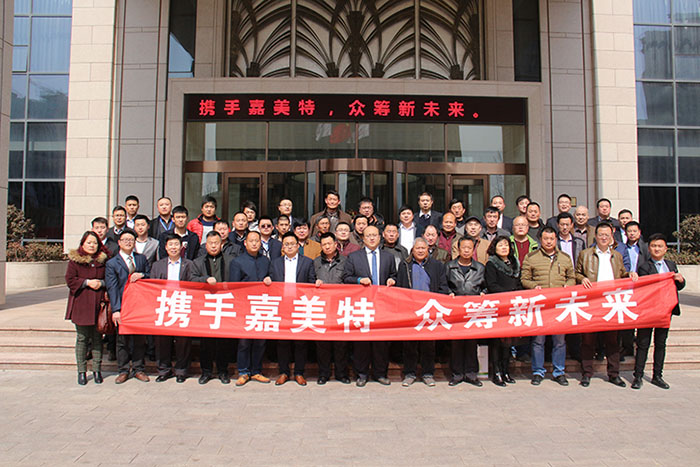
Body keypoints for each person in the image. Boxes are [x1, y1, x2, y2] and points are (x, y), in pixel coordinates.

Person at [576, 222, 638, 387]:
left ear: (611, 237)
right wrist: (582, 278)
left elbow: (622, 274)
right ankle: (586, 373)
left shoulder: (616, 256)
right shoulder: (585, 254)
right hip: (592, 302)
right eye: (601, 235)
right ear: (595, 236)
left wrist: (630, 274)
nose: (604, 238)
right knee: (588, 340)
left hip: (611, 302)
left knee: (612, 341)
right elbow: (577, 273)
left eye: (607, 235)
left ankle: (613, 374)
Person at [343, 225, 397, 387]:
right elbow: (346, 278)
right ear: (363, 238)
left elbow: (394, 275)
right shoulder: (354, 257)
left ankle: (380, 373)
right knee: (362, 342)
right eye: (368, 236)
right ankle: (362, 374)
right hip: (362, 304)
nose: (372, 238)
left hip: (382, 305)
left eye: (374, 235)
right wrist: (359, 280)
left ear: (380, 237)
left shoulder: (388, 257)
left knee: (381, 342)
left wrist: (392, 280)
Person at [520, 227, 575, 386]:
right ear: (540, 240)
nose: (549, 242)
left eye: (551, 239)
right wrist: (534, 286)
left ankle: (559, 372)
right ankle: (538, 371)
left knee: (559, 341)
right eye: (545, 239)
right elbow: (524, 279)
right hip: (540, 305)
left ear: (556, 240)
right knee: (538, 341)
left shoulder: (565, 258)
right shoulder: (531, 257)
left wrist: (568, 285)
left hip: (559, 305)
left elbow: (572, 277)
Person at [633, 233, 685, 390]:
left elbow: (678, 286)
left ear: (665, 249)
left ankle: (657, 376)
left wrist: (681, 280)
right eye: (654, 246)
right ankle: (638, 376)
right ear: (649, 249)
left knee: (661, 344)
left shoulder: (671, 265)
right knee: (643, 344)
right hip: (648, 311)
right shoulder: (644, 267)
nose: (657, 249)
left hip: (666, 311)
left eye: (660, 246)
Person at [397, 238, 449, 387]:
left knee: (428, 345)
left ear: (428, 250)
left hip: (429, 311)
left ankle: (428, 374)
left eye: (423, 248)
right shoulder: (405, 265)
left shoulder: (437, 265)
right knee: (409, 345)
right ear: (412, 250)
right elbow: (399, 288)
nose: (420, 251)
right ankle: (410, 374)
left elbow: (443, 287)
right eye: (417, 248)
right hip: (410, 311)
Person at [269, 232, 317, 386]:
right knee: (282, 341)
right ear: (282, 247)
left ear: (298, 246)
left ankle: (299, 373)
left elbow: (311, 283)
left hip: (300, 306)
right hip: (282, 306)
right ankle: (283, 372)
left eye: (292, 244)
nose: (289, 247)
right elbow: (271, 283)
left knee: (300, 342)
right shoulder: (275, 263)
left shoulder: (307, 262)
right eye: (286, 244)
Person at [105, 229, 150, 384]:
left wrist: (142, 275)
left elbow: (150, 276)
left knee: (139, 339)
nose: (128, 242)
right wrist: (116, 310)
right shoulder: (112, 263)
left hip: (139, 305)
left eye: (131, 240)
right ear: (119, 242)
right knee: (122, 340)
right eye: (125, 240)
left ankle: (139, 369)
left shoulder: (141, 259)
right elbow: (112, 288)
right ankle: (123, 370)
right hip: (123, 306)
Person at [192, 231, 237, 384]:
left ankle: (223, 371)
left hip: (225, 305)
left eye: (216, 243)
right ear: (206, 245)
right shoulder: (198, 262)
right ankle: (206, 372)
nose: (213, 246)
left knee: (224, 342)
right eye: (210, 243)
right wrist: (205, 279)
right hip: (206, 306)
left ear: (221, 244)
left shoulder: (231, 260)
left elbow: (237, 280)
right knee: (206, 342)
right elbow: (191, 279)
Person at [149, 234, 194, 383]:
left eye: (176, 244)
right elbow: (152, 286)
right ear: (166, 247)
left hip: (182, 305)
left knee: (183, 341)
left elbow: (193, 285)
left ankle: (181, 370)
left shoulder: (189, 264)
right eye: (171, 245)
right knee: (162, 341)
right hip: (164, 306)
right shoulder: (157, 265)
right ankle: (164, 370)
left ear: (181, 247)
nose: (173, 247)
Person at [65, 231, 109, 385]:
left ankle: (97, 370)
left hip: (98, 305)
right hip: (81, 304)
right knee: (82, 338)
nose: (92, 245)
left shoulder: (103, 260)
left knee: (97, 338)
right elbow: (70, 280)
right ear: (82, 244)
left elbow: (109, 279)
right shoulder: (75, 261)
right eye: (89, 242)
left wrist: (101, 283)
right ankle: (81, 371)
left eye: (95, 243)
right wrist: (87, 283)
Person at [230, 231, 272, 386]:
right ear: (245, 243)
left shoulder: (265, 261)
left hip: (262, 306)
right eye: (251, 241)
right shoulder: (237, 262)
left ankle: (256, 371)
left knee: (260, 341)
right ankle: (243, 372)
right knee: (244, 342)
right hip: (244, 307)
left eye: (257, 241)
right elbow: (234, 287)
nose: (254, 243)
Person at [446, 237, 486, 387]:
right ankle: (457, 374)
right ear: (458, 248)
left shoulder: (480, 268)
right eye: (464, 247)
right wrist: (449, 293)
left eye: (470, 248)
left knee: (471, 343)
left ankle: (471, 374)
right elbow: (444, 284)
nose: (467, 250)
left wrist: (483, 293)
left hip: (473, 311)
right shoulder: (450, 266)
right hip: (455, 311)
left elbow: (486, 286)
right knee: (456, 343)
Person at [313, 232, 350, 384]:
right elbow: (310, 280)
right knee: (322, 343)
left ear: (336, 244)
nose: (327, 247)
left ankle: (342, 374)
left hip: (340, 306)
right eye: (324, 244)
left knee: (341, 343)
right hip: (322, 307)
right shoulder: (316, 262)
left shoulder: (346, 261)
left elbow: (349, 279)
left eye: (329, 243)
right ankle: (323, 374)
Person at [484, 236, 521, 386]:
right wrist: (507, 295)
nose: (504, 247)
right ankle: (497, 372)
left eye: (506, 245)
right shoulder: (491, 264)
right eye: (500, 245)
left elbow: (519, 283)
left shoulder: (515, 263)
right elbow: (491, 285)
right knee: (496, 341)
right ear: (495, 248)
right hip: (498, 306)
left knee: (508, 342)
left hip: (512, 306)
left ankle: (506, 371)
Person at [616, 220, 650, 360]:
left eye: (634, 231)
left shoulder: (645, 248)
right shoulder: (621, 247)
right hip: (625, 287)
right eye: (629, 231)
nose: (632, 234)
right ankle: (626, 347)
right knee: (625, 318)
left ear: (639, 233)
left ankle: (637, 347)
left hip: (641, 287)